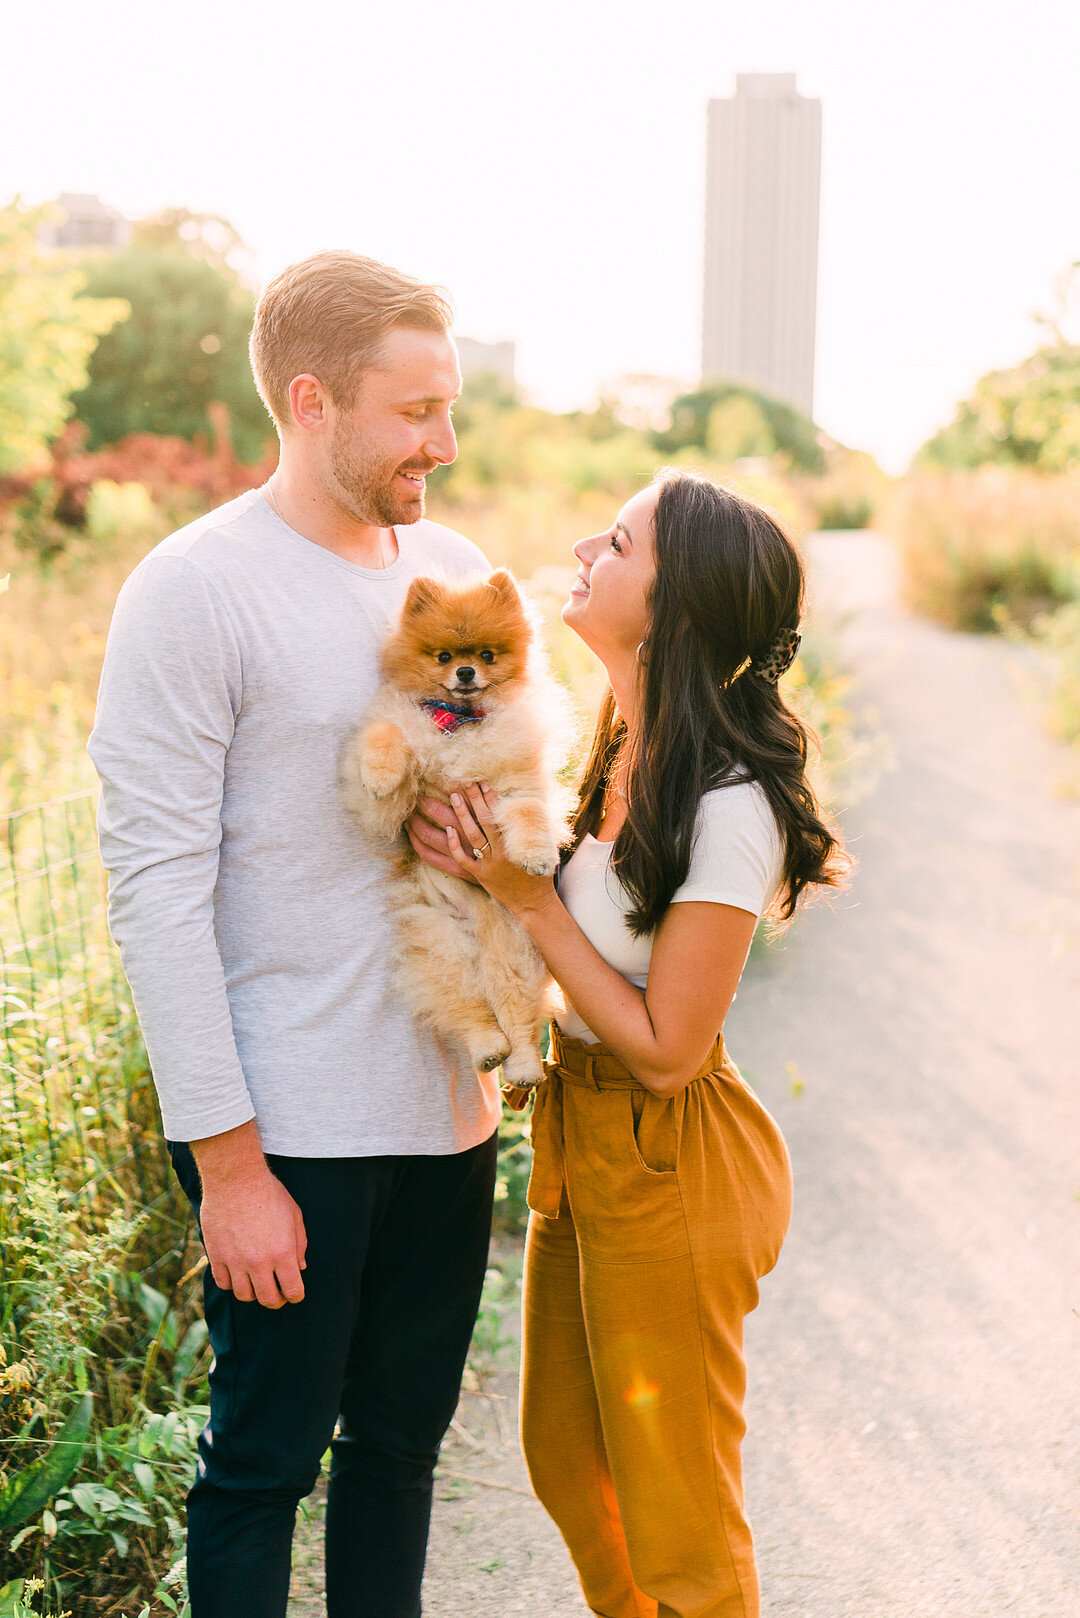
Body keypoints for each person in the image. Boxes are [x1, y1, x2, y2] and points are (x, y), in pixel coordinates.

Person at [87, 251, 503, 1618]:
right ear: (313, 400)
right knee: (260, 1467)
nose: (445, 443)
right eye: (416, 410)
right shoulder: (195, 587)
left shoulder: (454, 575)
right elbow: (153, 884)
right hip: (291, 1134)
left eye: (452, 407)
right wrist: (228, 1163)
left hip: (447, 1115)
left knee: (398, 1453)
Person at [411, 471, 845, 1618]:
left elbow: (668, 1048)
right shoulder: (618, 747)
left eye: (619, 541)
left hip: (672, 1156)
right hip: (586, 1138)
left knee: (677, 1513)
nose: (582, 548)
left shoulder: (731, 802)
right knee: (565, 1460)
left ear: (678, 606)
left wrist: (527, 898)